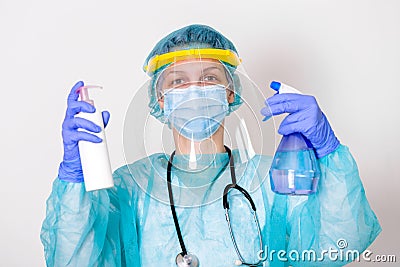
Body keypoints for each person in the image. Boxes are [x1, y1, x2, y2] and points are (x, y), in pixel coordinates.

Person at [41, 24, 381, 267]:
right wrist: (74, 181)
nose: (195, 90)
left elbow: (338, 246)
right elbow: (73, 259)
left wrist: (329, 153)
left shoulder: (269, 179)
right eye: (178, 81)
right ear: (160, 99)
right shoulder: (133, 186)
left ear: (230, 92)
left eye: (209, 78)